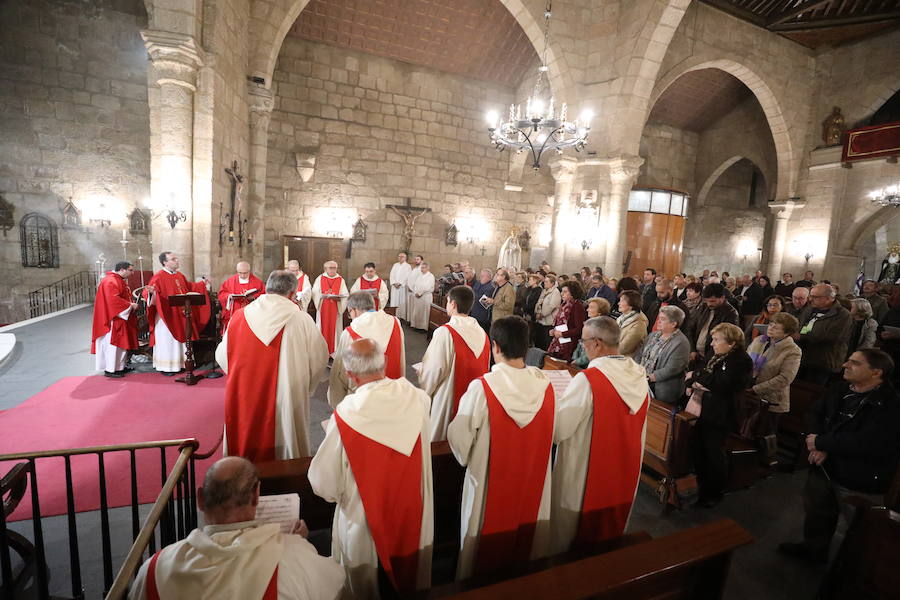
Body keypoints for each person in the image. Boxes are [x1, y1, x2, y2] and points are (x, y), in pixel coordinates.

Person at [309, 339, 434, 597]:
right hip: (412, 508)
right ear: (385, 362)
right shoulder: (419, 399)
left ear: (350, 374)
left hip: (363, 521)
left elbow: (324, 484)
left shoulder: (346, 415)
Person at [128, 457, 344, 600]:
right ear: (256, 496)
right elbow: (336, 586)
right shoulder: (294, 557)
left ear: (200, 499)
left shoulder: (154, 569)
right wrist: (301, 544)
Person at [447, 316, 556, 579]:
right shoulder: (545, 386)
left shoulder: (482, 388)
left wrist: (468, 456)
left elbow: (460, 439)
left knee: (482, 549)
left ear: (495, 346)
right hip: (532, 478)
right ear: (527, 346)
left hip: (489, 482)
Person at [778, 349, 900, 564]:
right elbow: (814, 413)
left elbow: (867, 441)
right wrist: (816, 443)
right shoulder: (840, 388)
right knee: (817, 511)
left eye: (855, 363)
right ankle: (814, 551)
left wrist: (821, 443)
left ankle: (854, 571)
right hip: (824, 464)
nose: (845, 365)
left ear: (876, 372)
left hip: (858, 475)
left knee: (860, 527)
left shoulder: (890, 404)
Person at [551, 317, 649, 553]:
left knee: (569, 540)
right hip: (622, 469)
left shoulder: (589, 380)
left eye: (584, 341)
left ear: (596, 343)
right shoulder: (639, 377)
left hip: (584, 474)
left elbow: (560, 430)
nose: (583, 346)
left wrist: (553, 405)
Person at [216, 271, 329, 460]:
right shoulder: (301, 319)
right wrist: (306, 385)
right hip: (287, 392)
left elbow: (221, 355)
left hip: (246, 391)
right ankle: (287, 473)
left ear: (267, 288)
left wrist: (241, 376)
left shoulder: (240, 316)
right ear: (292, 293)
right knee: (286, 434)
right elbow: (319, 357)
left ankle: (242, 471)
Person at [686, 323, 753, 508]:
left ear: (732, 343)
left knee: (713, 454)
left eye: (716, 340)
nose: (712, 343)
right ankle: (701, 487)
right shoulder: (716, 354)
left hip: (721, 414)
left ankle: (713, 494)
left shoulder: (741, 361)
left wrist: (698, 378)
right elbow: (698, 372)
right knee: (699, 450)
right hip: (703, 409)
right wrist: (697, 379)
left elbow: (722, 384)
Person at [419, 285, 490, 442]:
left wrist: (423, 385)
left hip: (449, 399)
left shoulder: (445, 333)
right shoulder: (482, 333)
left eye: (447, 301)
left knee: (442, 440)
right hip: (474, 402)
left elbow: (433, 371)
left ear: (453, 304)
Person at [328, 291, 405, 408]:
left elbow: (340, 370)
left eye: (349, 313)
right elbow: (401, 356)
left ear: (354, 310)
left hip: (363, 401)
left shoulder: (350, 332)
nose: (350, 317)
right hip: (393, 392)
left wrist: (336, 400)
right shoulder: (395, 323)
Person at [143, 252, 211, 375]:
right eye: (173, 259)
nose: (177, 261)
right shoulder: (158, 277)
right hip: (166, 316)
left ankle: (183, 364)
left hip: (181, 314)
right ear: (165, 262)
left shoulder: (179, 275)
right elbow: (148, 293)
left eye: (176, 258)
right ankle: (167, 367)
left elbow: (189, 287)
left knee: (182, 339)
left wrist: (201, 285)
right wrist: (152, 293)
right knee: (168, 341)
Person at [747, 312, 801, 435]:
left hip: (771, 400)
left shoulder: (792, 350)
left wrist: (756, 389)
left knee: (762, 434)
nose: (770, 328)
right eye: (771, 324)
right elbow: (745, 361)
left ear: (787, 333)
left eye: (776, 327)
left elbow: (784, 378)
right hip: (749, 395)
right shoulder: (759, 340)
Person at [796, 284, 852, 385]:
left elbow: (832, 337)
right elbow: (800, 326)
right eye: (810, 296)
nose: (810, 299)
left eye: (815, 297)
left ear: (829, 298)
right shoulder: (809, 309)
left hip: (823, 360)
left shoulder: (842, 315)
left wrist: (801, 337)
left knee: (811, 389)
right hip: (803, 356)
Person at [91, 261, 138, 378]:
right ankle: (111, 370)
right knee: (113, 345)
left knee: (120, 345)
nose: (132, 273)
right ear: (122, 270)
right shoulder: (111, 281)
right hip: (112, 319)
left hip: (119, 317)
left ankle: (119, 367)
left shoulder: (117, 280)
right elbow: (113, 301)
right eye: (130, 270)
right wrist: (130, 305)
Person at [637, 305, 690, 404]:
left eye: (663, 319)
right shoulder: (653, 335)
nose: (658, 321)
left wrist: (648, 378)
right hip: (641, 381)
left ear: (673, 324)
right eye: (659, 318)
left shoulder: (681, 343)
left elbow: (672, 369)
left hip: (661, 389)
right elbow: (640, 353)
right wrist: (637, 370)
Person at [686, 283, 739, 367]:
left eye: (712, 301)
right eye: (706, 301)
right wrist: (692, 350)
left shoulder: (731, 314)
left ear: (722, 297)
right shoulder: (703, 307)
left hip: (713, 358)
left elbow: (725, 340)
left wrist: (708, 360)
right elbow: (690, 328)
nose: (709, 304)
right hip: (696, 355)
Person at [312, 261, 349, 356]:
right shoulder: (320, 279)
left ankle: (334, 353)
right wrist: (321, 296)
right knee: (322, 327)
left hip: (335, 308)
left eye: (334, 268)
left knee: (335, 330)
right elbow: (315, 293)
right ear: (325, 269)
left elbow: (345, 295)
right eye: (331, 268)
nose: (333, 270)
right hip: (323, 308)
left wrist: (339, 298)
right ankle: (321, 352)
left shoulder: (340, 280)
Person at [217, 261, 264, 332]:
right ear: (237, 271)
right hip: (234, 311)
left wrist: (254, 297)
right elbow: (222, 294)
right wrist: (229, 296)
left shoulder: (257, 282)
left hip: (251, 312)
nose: (242, 275)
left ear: (249, 271)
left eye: (245, 273)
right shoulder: (230, 281)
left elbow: (264, 295)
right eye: (240, 273)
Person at [547, 281, 587, 361]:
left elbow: (579, 329)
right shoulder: (564, 304)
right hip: (559, 340)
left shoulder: (577, 306)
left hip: (569, 344)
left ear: (572, 293)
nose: (562, 294)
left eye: (565, 292)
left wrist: (563, 334)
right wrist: (554, 330)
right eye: (562, 291)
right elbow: (561, 323)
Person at [572, 298, 611, 368]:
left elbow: (594, 351)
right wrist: (575, 357)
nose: (587, 310)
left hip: (590, 365)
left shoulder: (601, 329)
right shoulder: (588, 324)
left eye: (591, 307)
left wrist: (577, 361)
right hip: (579, 362)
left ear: (600, 312)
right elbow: (580, 343)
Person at [616, 290, 648, 359]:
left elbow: (624, 348)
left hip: (628, 360)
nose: (618, 303)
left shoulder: (639, 324)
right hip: (617, 357)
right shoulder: (620, 319)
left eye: (622, 301)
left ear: (631, 304)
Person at [533, 274, 561, 349]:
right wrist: (537, 312)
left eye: (546, 282)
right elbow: (539, 302)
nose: (544, 283)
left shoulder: (555, 292)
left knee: (546, 343)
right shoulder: (544, 290)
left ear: (552, 283)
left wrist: (542, 314)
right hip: (541, 321)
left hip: (549, 321)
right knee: (539, 341)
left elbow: (551, 306)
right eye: (544, 281)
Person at [408, 262, 436, 331]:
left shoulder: (430, 276)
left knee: (424, 313)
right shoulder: (420, 275)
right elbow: (415, 285)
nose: (422, 269)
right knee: (417, 311)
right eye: (421, 268)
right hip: (417, 297)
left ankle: (423, 328)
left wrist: (420, 293)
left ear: (427, 268)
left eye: (423, 268)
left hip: (425, 296)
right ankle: (416, 325)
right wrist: (415, 292)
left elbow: (428, 286)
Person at [389, 252, 412, 319]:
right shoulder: (395, 265)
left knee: (402, 302)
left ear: (405, 258)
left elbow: (408, 276)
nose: (401, 258)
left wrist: (400, 283)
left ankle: (401, 317)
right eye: (399, 256)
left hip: (402, 287)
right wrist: (394, 283)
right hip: (394, 287)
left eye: (402, 257)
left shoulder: (408, 266)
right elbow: (391, 275)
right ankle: (394, 316)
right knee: (394, 301)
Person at [403, 254, 425, 321]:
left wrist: (412, 288)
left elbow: (419, 280)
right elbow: (411, 278)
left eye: (418, 259)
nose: (416, 261)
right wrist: (409, 286)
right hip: (411, 290)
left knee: (415, 308)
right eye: (415, 259)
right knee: (411, 307)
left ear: (422, 261)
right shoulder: (415, 268)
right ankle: (410, 321)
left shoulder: (421, 269)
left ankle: (414, 322)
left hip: (416, 291)